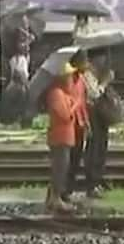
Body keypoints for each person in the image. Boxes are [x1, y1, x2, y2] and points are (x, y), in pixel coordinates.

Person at [43, 64, 79, 213]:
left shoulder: (64, 94)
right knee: (59, 168)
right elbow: (64, 115)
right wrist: (74, 106)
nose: (71, 79)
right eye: (69, 76)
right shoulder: (56, 93)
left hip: (66, 137)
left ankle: (53, 197)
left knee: (62, 168)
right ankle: (55, 198)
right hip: (60, 137)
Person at [83, 49, 119, 198]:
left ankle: (99, 178)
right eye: (102, 58)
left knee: (102, 146)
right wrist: (105, 82)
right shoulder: (87, 74)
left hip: (100, 116)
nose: (104, 61)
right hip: (92, 114)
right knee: (94, 148)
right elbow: (94, 94)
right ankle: (92, 183)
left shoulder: (98, 72)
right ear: (95, 58)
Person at [65, 51, 90, 198]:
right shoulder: (68, 79)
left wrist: (86, 122)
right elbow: (70, 102)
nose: (86, 65)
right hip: (69, 124)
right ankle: (63, 189)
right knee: (67, 159)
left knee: (76, 157)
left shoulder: (81, 80)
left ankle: (69, 188)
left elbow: (83, 104)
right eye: (84, 61)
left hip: (80, 124)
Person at [9, 14, 35, 82]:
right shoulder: (17, 33)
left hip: (26, 56)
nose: (26, 24)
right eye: (24, 22)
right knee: (20, 75)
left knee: (26, 73)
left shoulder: (27, 32)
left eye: (27, 22)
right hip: (18, 58)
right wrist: (28, 41)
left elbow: (32, 38)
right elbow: (19, 46)